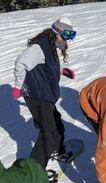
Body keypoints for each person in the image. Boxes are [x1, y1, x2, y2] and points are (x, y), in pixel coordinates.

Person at [13, 17, 76, 172]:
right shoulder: (39, 47)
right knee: (48, 132)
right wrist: (17, 86)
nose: (67, 39)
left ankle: (58, 152)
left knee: (57, 123)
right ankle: (35, 171)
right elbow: (20, 63)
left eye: (71, 35)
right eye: (67, 35)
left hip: (44, 92)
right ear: (58, 31)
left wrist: (60, 71)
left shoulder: (51, 44)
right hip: (36, 94)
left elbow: (44, 66)